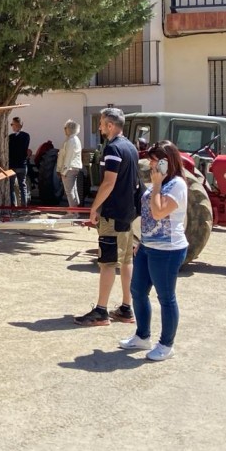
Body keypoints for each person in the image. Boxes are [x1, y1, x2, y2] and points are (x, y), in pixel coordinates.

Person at [119, 140, 188, 361]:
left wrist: (157, 184)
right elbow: (148, 215)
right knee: (137, 291)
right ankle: (142, 336)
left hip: (168, 250)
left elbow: (159, 213)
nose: (151, 165)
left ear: (167, 163)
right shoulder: (158, 182)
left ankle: (166, 345)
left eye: (154, 161)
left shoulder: (177, 184)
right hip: (149, 246)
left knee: (166, 297)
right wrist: (143, 240)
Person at [75, 108, 140, 327]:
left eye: (102, 123)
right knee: (126, 260)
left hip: (112, 214)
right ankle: (126, 307)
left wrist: (95, 207)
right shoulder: (130, 147)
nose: (100, 127)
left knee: (108, 263)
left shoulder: (113, 148)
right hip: (127, 214)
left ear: (111, 125)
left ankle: (101, 312)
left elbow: (109, 182)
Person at [57, 119, 84, 208]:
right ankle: (75, 209)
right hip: (72, 168)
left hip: (69, 168)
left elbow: (68, 157)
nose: (64, 130)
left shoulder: (71, 140)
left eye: (65, 128)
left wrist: (63, 171)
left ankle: (74, 212)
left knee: (69, 191)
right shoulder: (72, 139)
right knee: (73, 190)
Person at [8, 116, 30, 206]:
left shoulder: (11, 137)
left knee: (11, 187)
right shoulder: (26, 136)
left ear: (16, 125)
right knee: (22, 186)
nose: (12, 126)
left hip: (12, 165)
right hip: (22, 165)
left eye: (12, 124)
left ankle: (13, 205)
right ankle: (24, 205)